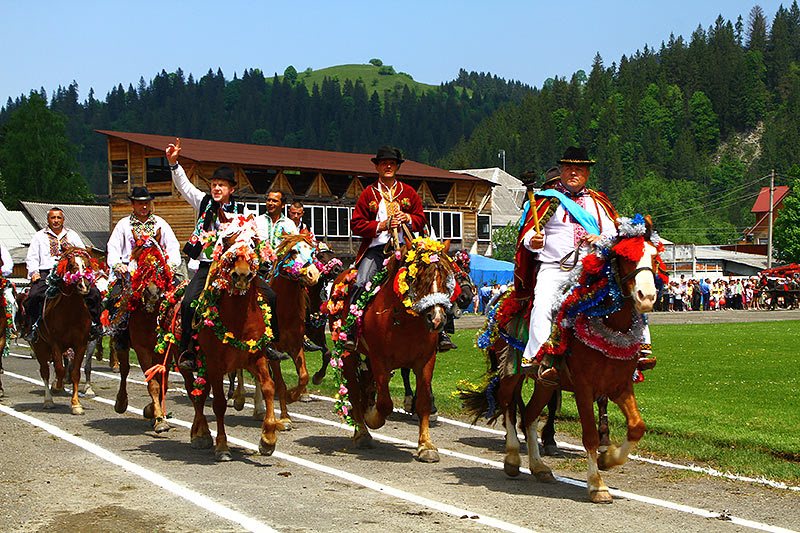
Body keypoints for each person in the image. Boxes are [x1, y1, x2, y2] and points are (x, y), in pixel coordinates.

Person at [516, 147, 656, 379]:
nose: (573, 173)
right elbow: (527, 237)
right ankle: (539, 356)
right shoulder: (544, 201)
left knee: (628, 297)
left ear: (587, 173)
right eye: (569, 168)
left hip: (591, 269)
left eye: (579, 169)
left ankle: (642, 348)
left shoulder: (599, 202)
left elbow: (614, 236)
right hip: (555, 268)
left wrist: (600, 238)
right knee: (542, 304)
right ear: (561, 171)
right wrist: (535, 240)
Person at [165, 139, 287, 371]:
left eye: (222, 185)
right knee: (190, 302)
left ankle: (270, 343)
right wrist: (174, 164)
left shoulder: (244, 212)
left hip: (234, 267)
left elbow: (253, 238)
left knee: (270, 295)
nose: (217, 188)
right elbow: (184, 186)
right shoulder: (204, 203)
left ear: (231, 189)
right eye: (214, 184)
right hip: (208, 266)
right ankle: (188, 351)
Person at [342, 145, 429, 352]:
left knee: (428, 279)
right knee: (361, 282)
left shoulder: (408, 192)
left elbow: (421, 219)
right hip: (377, 249)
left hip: (406, 249)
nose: (388, 166)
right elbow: (356, 224)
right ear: (377, 167)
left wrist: (407, 218)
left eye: (392, 163)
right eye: (384, 163)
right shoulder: (368, 194)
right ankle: (352, 331)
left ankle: (440, 331)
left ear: (397, 167)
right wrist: (381, 225)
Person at [23, 207, 103, 341]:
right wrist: (34, 273)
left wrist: (84, 270)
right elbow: (32, 257)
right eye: (52, 218)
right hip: (47, 273)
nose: (55, 220)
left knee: (94, 293)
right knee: (34, 295)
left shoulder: (72, 235)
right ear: (48, 220)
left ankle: (95, 325)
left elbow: (83, 254)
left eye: (58, 217)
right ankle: (33, 327)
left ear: (63, 219)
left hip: (71, 273)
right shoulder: (39, 236)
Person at [106, 186, 182, 276]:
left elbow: (172, 245)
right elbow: (113, 247)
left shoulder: (160, 223)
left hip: (157, 269)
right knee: (115, 289)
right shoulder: (123, 224)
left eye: (146, 203)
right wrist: (117, 264)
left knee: (178, 288)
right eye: (140, 203)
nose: (144, 206)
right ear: (133, 204)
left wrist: (171, 264)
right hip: (128, 270)